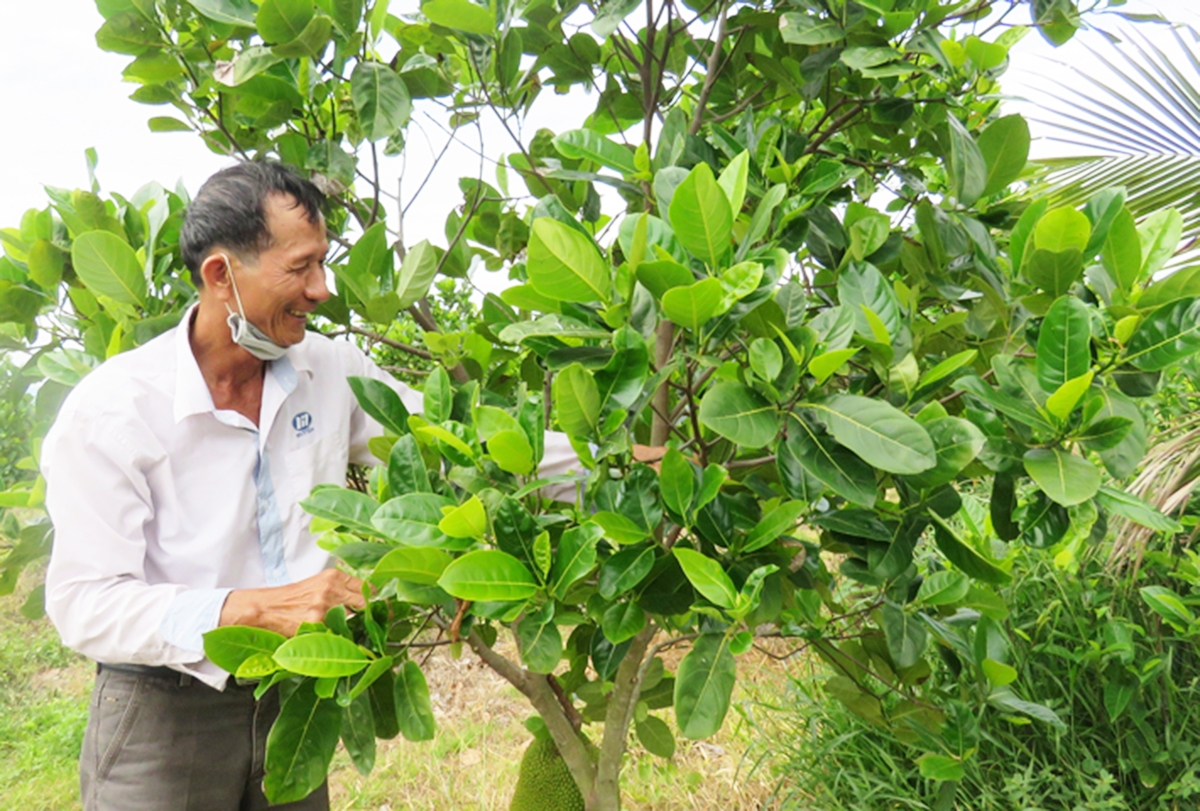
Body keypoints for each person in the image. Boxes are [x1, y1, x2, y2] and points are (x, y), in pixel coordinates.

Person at [40, 161, 588, 810]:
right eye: (300, 268)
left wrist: (611, 467)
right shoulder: (115, 409)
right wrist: (249, 609)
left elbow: (457, 446)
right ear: (221, 276)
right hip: (165, 709)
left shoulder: (330, 370)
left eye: (322, 263)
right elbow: (84, 601)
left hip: (297, 695)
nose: (322, 289)